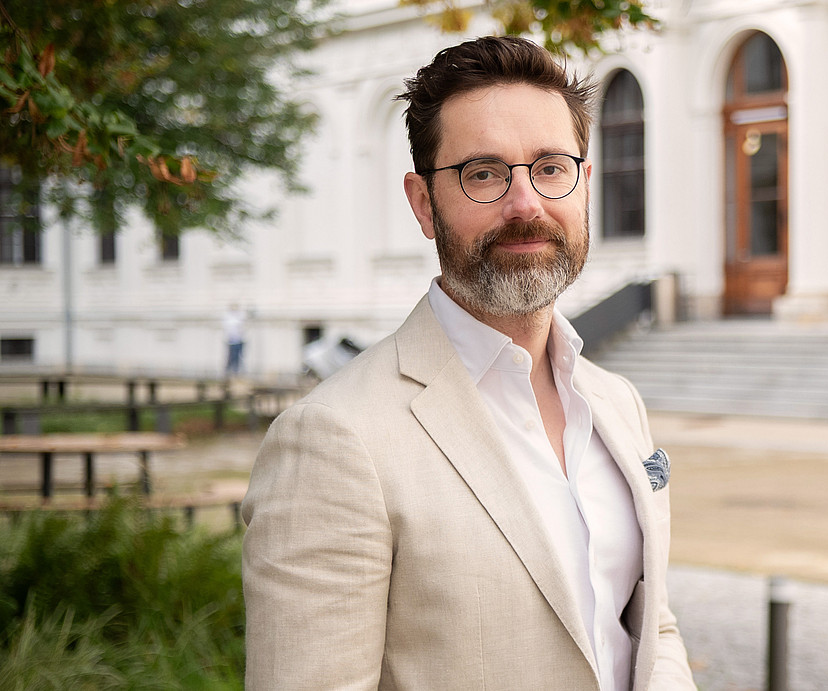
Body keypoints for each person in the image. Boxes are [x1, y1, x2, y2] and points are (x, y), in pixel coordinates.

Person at [241, 36, 696, 690]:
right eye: (483, 173)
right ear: (424, 204)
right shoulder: (332, 440)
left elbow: (649, 628)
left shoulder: (617, 402)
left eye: (549, 167)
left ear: (584, 184)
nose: (525, 204)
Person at [222, 304, 246, 376]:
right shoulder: (229, 318)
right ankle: (229, 371)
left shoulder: (239, 316)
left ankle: (236, 371)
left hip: (238, 340)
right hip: (232, 340)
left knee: (237, 357)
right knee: (231, 356)